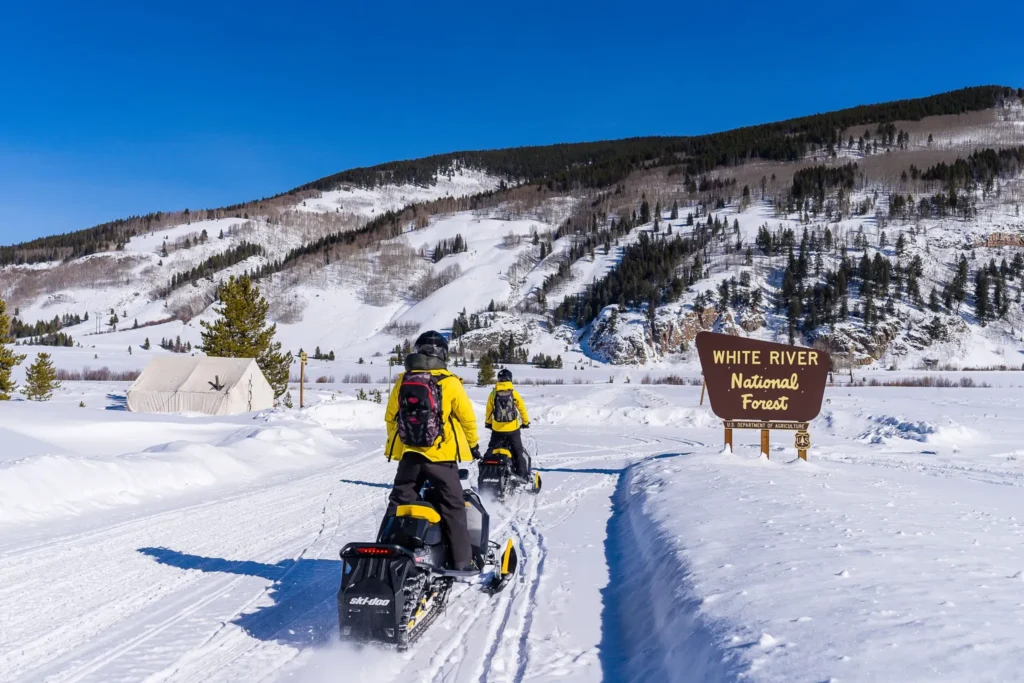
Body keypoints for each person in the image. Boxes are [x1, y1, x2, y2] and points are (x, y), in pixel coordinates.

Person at [383, 330, 481, 571]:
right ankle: (462, 562)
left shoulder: (404, 380)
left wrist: (401, 445)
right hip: (441, 458)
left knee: (397, 504)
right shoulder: (450, 382)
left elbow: (390, 418)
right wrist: (473, 445)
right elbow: (467, 419)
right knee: (453, 507)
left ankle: (384, 558)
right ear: (443, 354)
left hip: (410, 458)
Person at [484, 368, 531, 478]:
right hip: (512, 429)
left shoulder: (493, 393)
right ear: (510, 379)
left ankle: (485, 472)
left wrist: (488, 423)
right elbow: (522, 409)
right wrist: (525, 422)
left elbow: (489, 410)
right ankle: (522, 476)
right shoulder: (514, 393)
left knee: (492, 449)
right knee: (518, 452)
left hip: (497, 429)